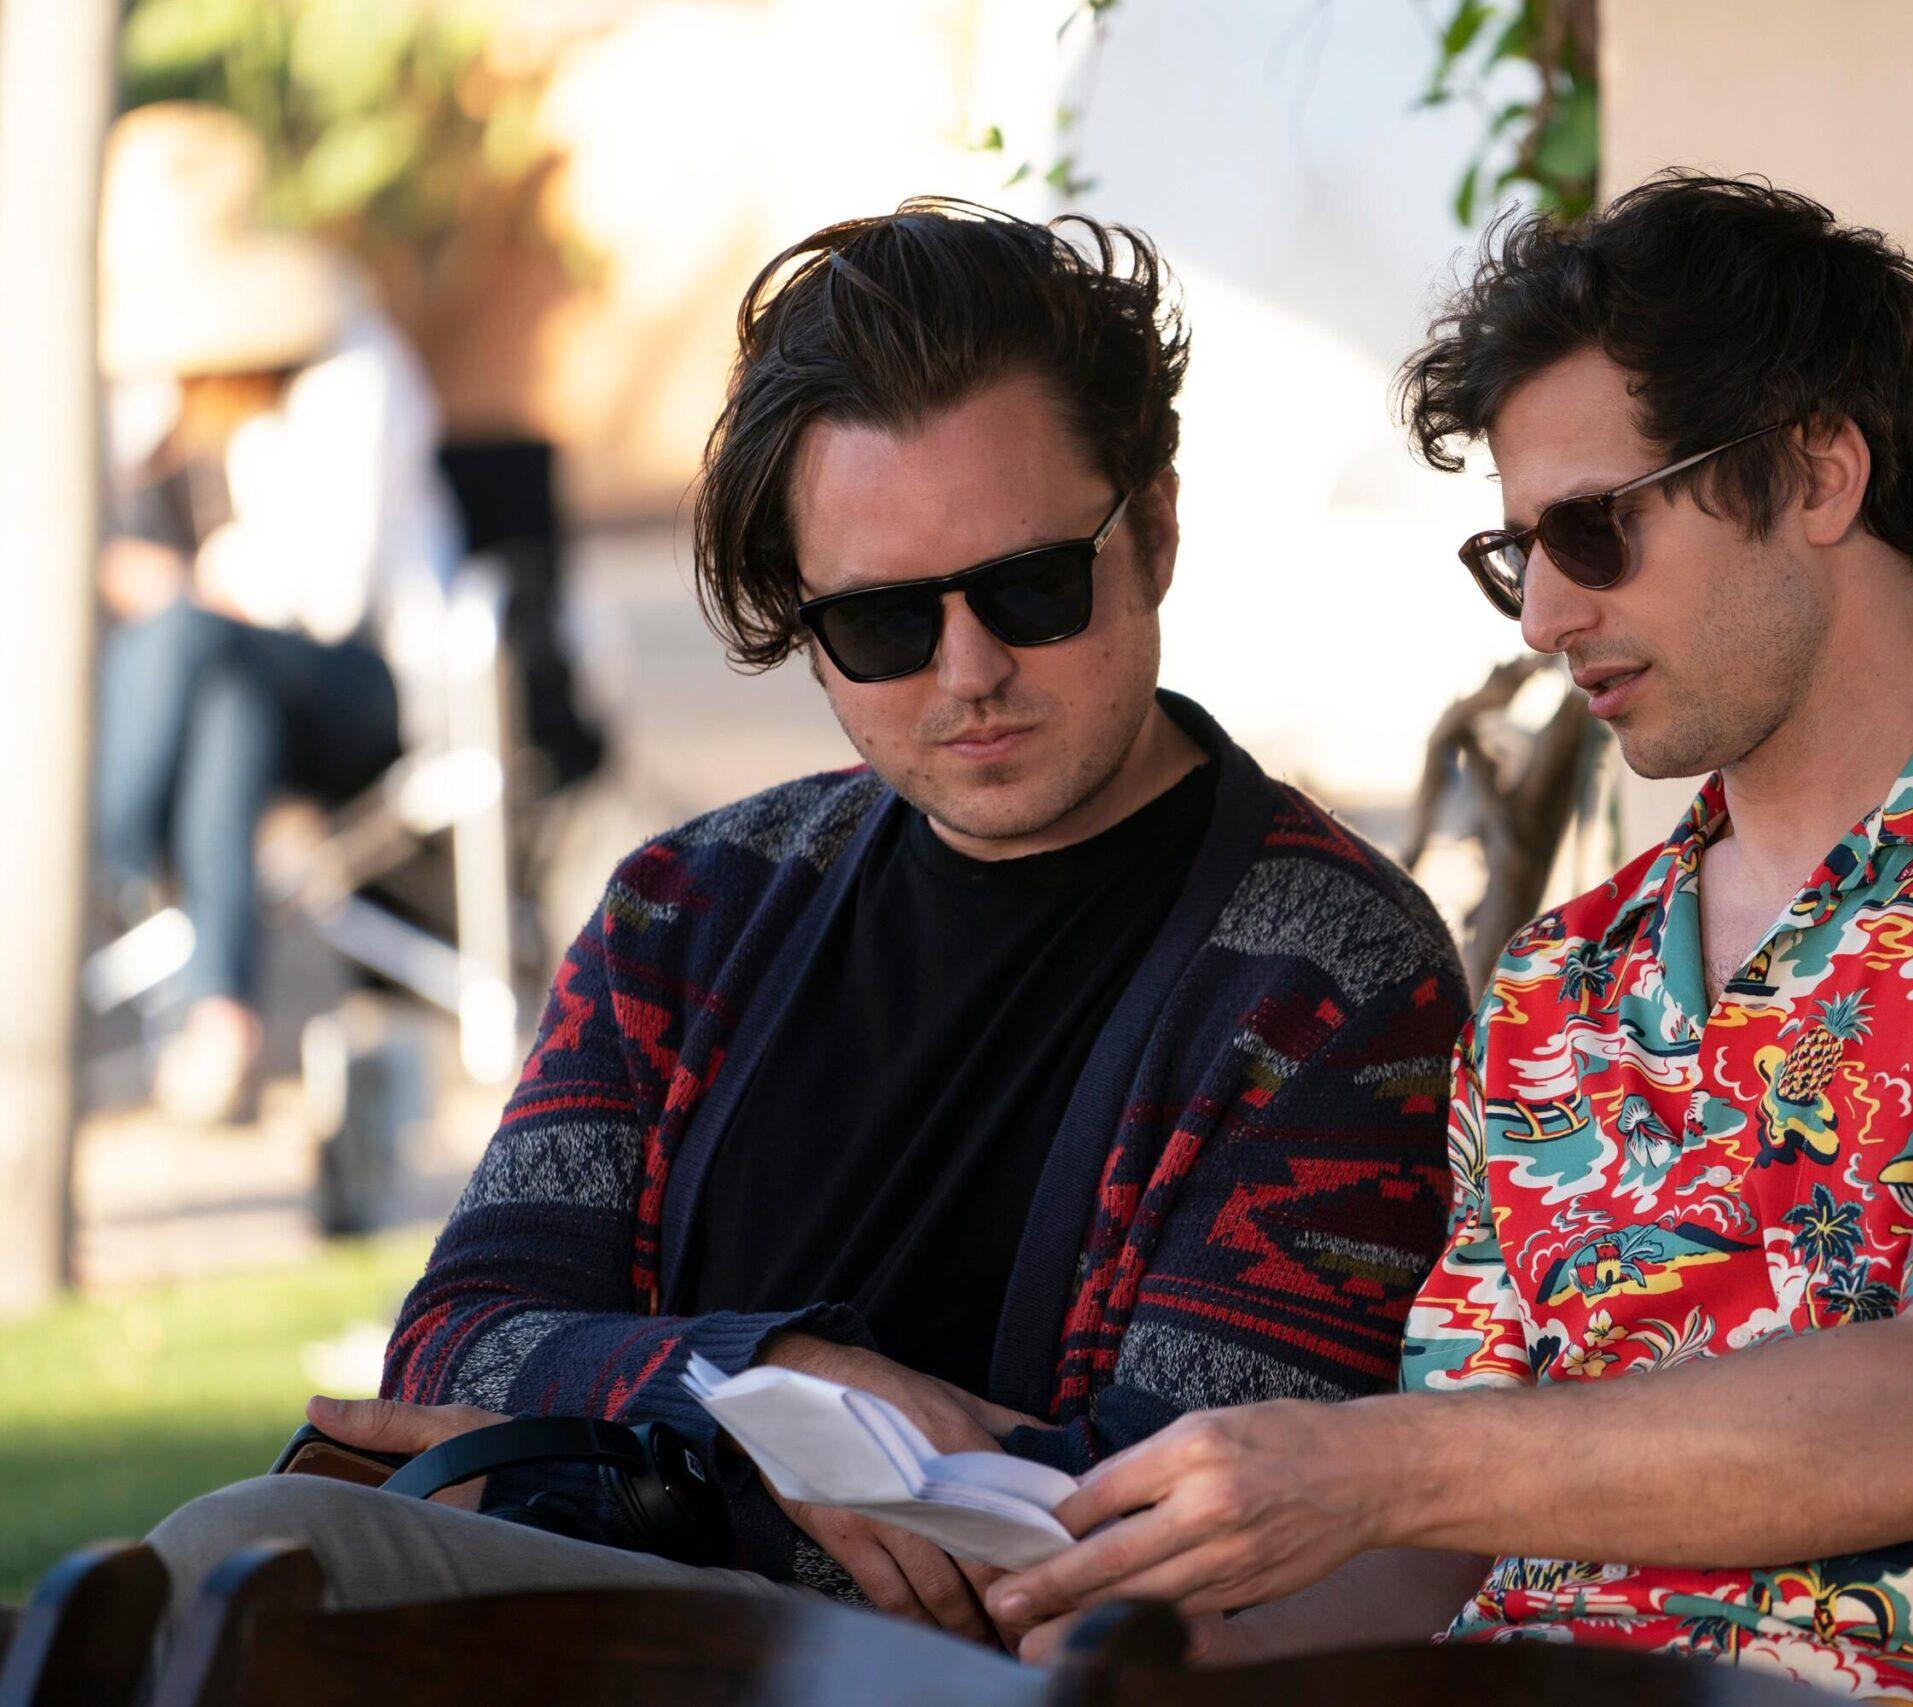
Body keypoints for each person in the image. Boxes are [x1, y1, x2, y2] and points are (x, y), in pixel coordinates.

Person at [987, 174, 1913, 1707]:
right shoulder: (1563, 978)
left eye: (1593, 528)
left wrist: (1370, 1461)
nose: (1544, 614)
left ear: (1817, 472)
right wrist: (1132, 1611)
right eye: (1518, 554)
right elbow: (1447, 1547)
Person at [146, 199, 1464, 1653]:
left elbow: (1179, 1526)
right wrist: (778, 1384)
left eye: (1032, 588)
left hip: (985, 1677)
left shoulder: (1337, 977)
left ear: (1151, 529)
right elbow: (456, 1340)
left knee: (239, 1564)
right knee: (224, 1580)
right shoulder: (688, 905)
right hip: (634, 1639)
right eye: (884, 622)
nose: (968, 670)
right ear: (804, 620)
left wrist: (638, 1439)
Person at [92, 102, 463, 1124]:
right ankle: (224, 1020)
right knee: (228, 704)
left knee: (188, 637)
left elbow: (334, 593)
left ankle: (107, 859)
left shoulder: (351, 366)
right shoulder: (162, 392)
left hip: (370, 683)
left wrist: (195, 586)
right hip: (239, 695)